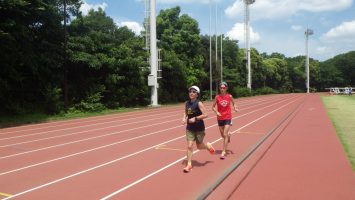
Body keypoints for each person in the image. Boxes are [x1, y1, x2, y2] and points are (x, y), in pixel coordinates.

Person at [182, 85, 215, 173]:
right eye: (190, 91)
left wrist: (195, 118)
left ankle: (208, 146)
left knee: (199, 146)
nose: (191, 93)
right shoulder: (187, 103)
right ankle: (189, 164)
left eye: (193, 92)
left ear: (197, 94)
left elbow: (206, 114)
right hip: (190, 128)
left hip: (199, 128)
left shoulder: (199, 103)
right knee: (189, 146)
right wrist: (184, 118)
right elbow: (185, 112)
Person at [212, 82, 238, 159]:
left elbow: (234, 103)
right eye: (221, 88)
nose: (222, 89)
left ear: (226, 88)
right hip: (220, 118)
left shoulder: (229, 96)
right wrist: (217, 112)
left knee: (225, 133)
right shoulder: (217, 97)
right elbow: (213, 107)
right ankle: (228, 136)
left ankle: (224, 151)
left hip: (227, 117)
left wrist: (235, 108)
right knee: (223, 135)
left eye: (224, 88)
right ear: (219, 88)